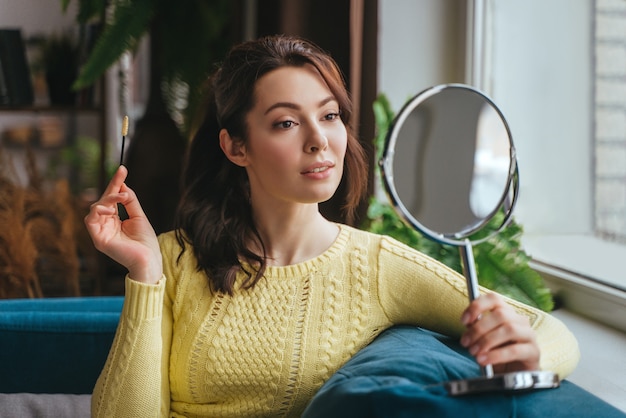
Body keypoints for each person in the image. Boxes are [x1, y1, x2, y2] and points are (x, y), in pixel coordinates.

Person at [85, 34, 580, 417]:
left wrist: (529, 353)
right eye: (286, 122)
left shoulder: (376, 266)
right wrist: (145, 273)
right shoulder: (172, 258)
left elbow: (550, 331)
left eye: (330, 115)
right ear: (236, 146)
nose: (320, 140)